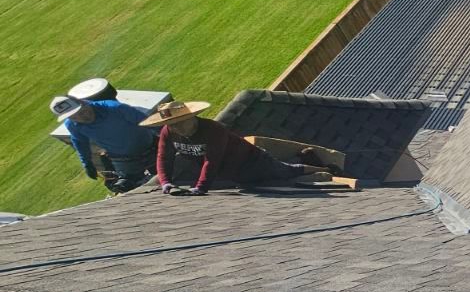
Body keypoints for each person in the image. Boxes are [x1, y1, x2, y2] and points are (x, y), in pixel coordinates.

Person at [142, 101, 321, 195]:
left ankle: (322, 166)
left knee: (287, 171)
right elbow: (164, 157)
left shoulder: (212, 129)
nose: (176, 128)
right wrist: (165, 182)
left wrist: (201, 187)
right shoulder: (168, 132)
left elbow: (212, 160)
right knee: (273, 182)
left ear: (191, 117)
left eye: (180, 123)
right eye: (171, 124)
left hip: (254, 162)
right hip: (234, 174)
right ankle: (303, 158)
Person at [51, 94, 157, 193]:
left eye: (82, 112)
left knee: (166, 174)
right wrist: (87, 164)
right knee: (129, 187)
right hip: (122, 158)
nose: (82, 118)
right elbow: (80, 143)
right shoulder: (72, 125)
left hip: (150, 147)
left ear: (83, 102)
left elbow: (147, 121)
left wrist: (166, 136)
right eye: (74, 117)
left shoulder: (115, 108)